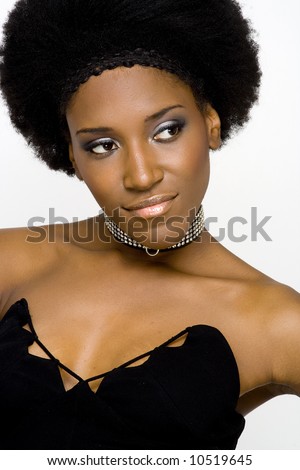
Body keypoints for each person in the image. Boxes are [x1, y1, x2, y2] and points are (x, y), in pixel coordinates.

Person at [0, 0, 299, 450]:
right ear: (72, 159)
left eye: (166, 131)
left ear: (212, 123)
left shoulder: (275, 321)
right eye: (102, 145)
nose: (141, 176)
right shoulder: (12, 261)